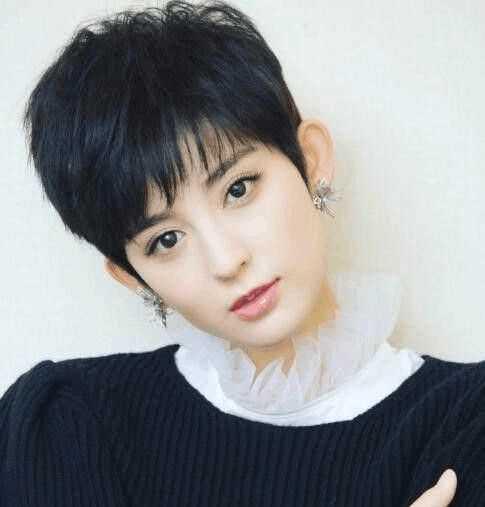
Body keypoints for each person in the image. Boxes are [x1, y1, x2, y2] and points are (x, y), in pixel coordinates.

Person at [0, 1, 482, 505]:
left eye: (238, 189)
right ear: (133, 278)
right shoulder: (68, 427)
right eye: (167, 240)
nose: (226, 261)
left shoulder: (466, 424)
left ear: (311, 161)